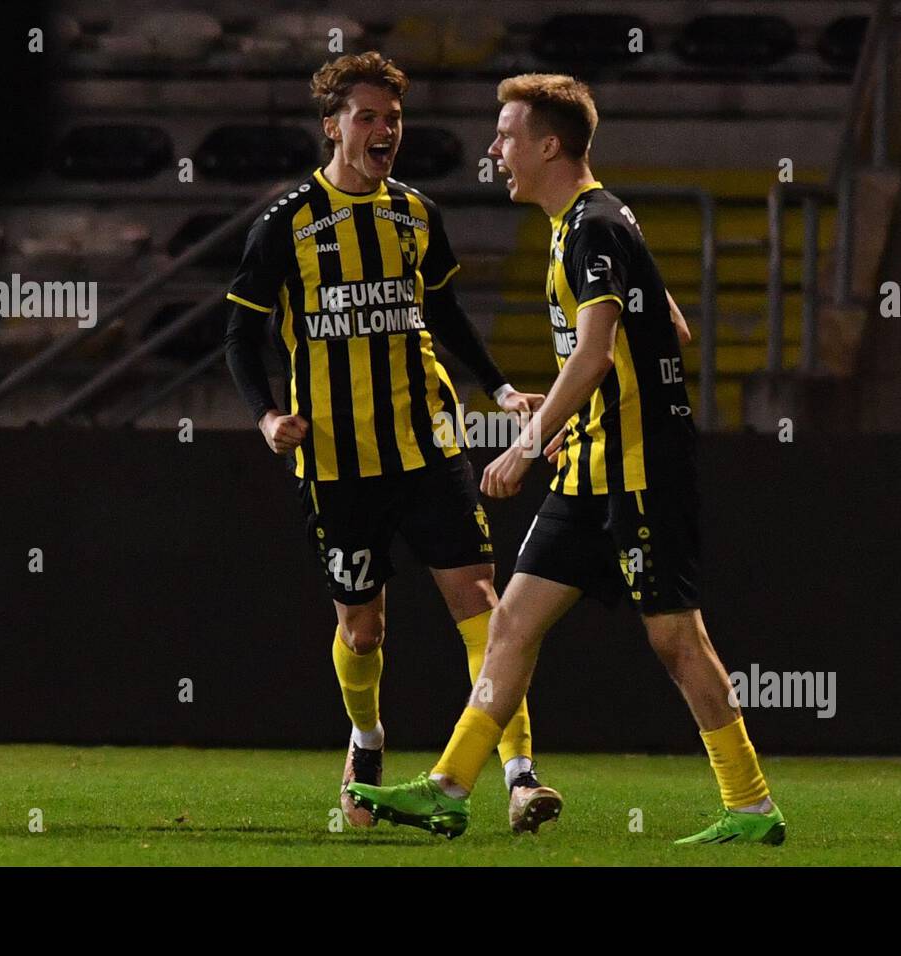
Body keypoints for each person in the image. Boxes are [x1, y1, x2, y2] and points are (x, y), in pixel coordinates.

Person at [349, 74, 786, 846]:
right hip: (590, 469)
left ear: (550, 144)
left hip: (639, 468)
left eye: (508, 135)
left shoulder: (592, 227)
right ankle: (450, 787)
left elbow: (594, 351)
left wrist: (527, 438)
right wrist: (580, 415)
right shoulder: (592, 224)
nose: (495, 150)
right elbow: (671, 326)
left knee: (676, 638)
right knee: (511, 621)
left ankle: (750, 806)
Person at [224, 53, 561, 833]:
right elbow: (241, 332)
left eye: (394, 119)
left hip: (431, 446)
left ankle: (518, 774)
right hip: (339, 462)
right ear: (333, 126)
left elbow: (444, 315)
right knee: (361, 628)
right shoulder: (286, 222)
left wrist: (502, 389)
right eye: (369, 117)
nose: (385, 132)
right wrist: (267, 417)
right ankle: (367, 739)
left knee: (485, 609)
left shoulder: (415, 212)